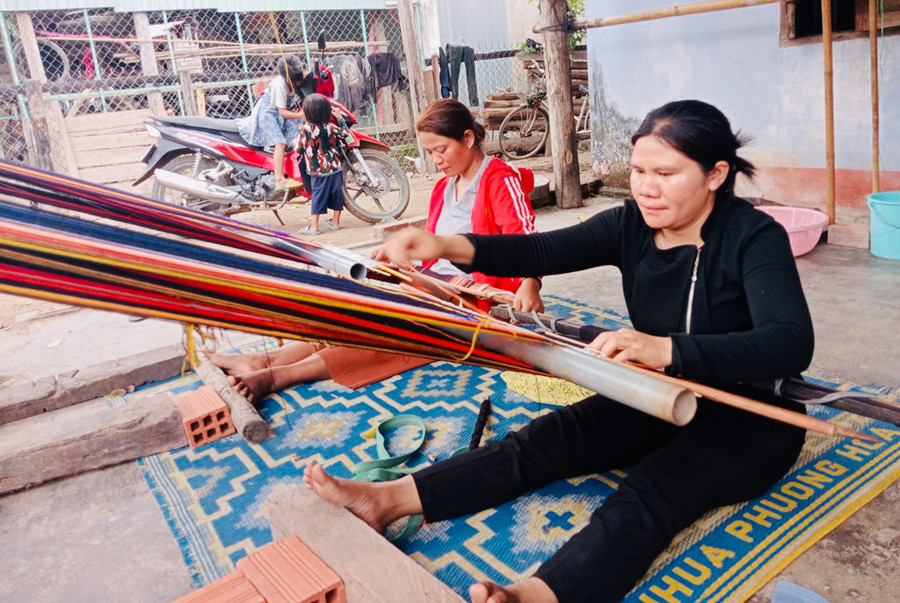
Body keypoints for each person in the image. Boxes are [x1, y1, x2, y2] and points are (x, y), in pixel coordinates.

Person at [301, 100, 815, 603]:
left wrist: (666, 348)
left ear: (715, 174)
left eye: (665, 173)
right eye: (637, 170)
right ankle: (386, 500)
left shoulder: (753, 237)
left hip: (753, 416)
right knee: (547, 438)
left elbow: (790, 341)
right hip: (664, 391)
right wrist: (442, 245)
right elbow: (542, 249)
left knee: (653, 491)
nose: (646, 187)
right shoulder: (630, 224)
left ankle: (536, 595)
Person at [208, 98, 544, 402]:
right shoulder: (445, 186)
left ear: (468, 139)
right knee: (359, 306)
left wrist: (530, 282)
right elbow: (434, 248)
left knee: (395, 329)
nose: (435, 160)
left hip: (476, 301)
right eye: (429, 152)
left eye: (440, 149)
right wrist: (400, 260)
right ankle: (265, 360)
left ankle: (275, 375)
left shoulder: (500, 181)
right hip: (436, 286)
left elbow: (527, 238)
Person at [236, 56, 307, 192]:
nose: (298, 83)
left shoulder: (294, 79)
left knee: (294, 133)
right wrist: (299, 115)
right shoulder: (279, 85)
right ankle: (279, 179)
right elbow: (282, 113)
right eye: (295, 80)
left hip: (278, 114)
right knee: (280, 142)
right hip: (267, 114)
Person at [297, 93, 345, 235]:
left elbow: (298, 148)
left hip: (317, 170)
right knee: (337, 194)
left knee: (317, 196)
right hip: (335, 168)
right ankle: (335, 222)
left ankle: (314, 227)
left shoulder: (305, 129)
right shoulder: (331, 127)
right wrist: (340, 117)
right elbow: (346, 135)